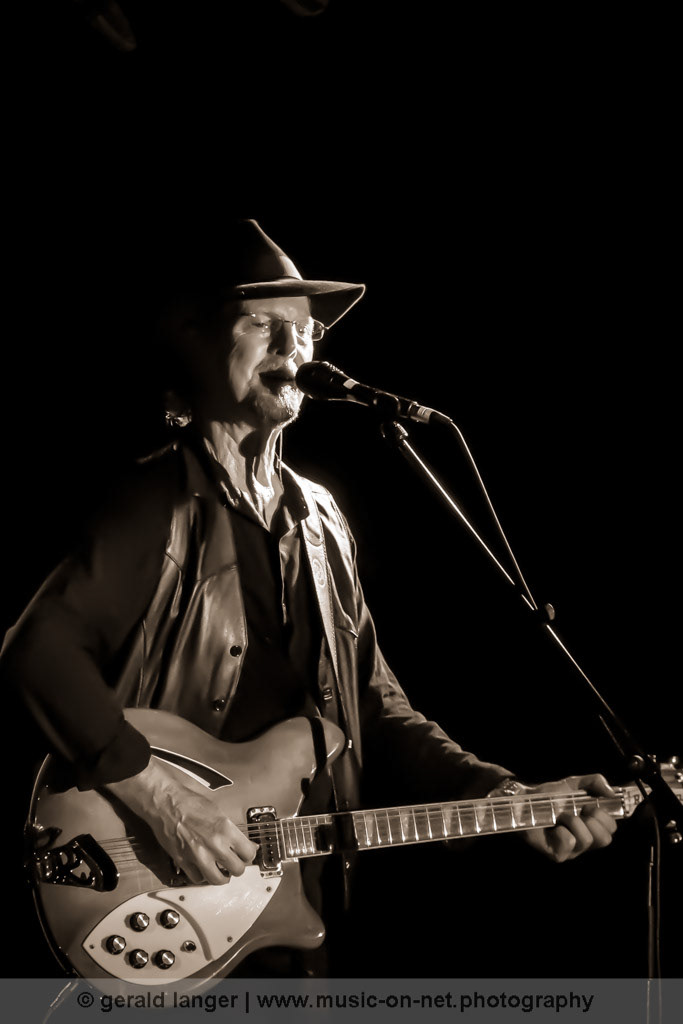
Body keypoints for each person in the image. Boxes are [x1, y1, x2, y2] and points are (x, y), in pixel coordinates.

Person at [0, 219, 616, 978]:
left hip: (286, 911)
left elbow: (374, 710)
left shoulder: (319, 518)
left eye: (307, 330)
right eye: (263, 323)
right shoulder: (156, 500)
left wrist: (504, 794)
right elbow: (37, 652)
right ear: (194, 340)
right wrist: (167, 801)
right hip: (157, 889)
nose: (296, 346)